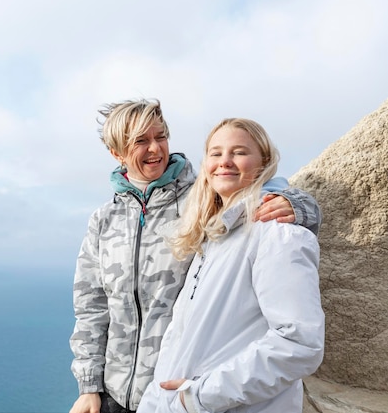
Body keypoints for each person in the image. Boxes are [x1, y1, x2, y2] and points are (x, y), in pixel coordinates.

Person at [69, 99, 322, 413]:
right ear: (117, 153)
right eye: (141, 141)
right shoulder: (104, 219)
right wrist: (89, 386)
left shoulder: (202, 197)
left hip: (180, 389)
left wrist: (298, 204)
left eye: (160, 137)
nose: (155, 149)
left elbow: (259, 188)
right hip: (115, 394)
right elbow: (91, 305)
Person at [137, 118, 324, 413]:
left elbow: (299, 344)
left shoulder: (277, 232)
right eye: (215, 153)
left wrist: (198, 397)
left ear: (263, 162)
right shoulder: (212, 236)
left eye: (238, 152)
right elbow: (181, 339)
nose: (224, 161)